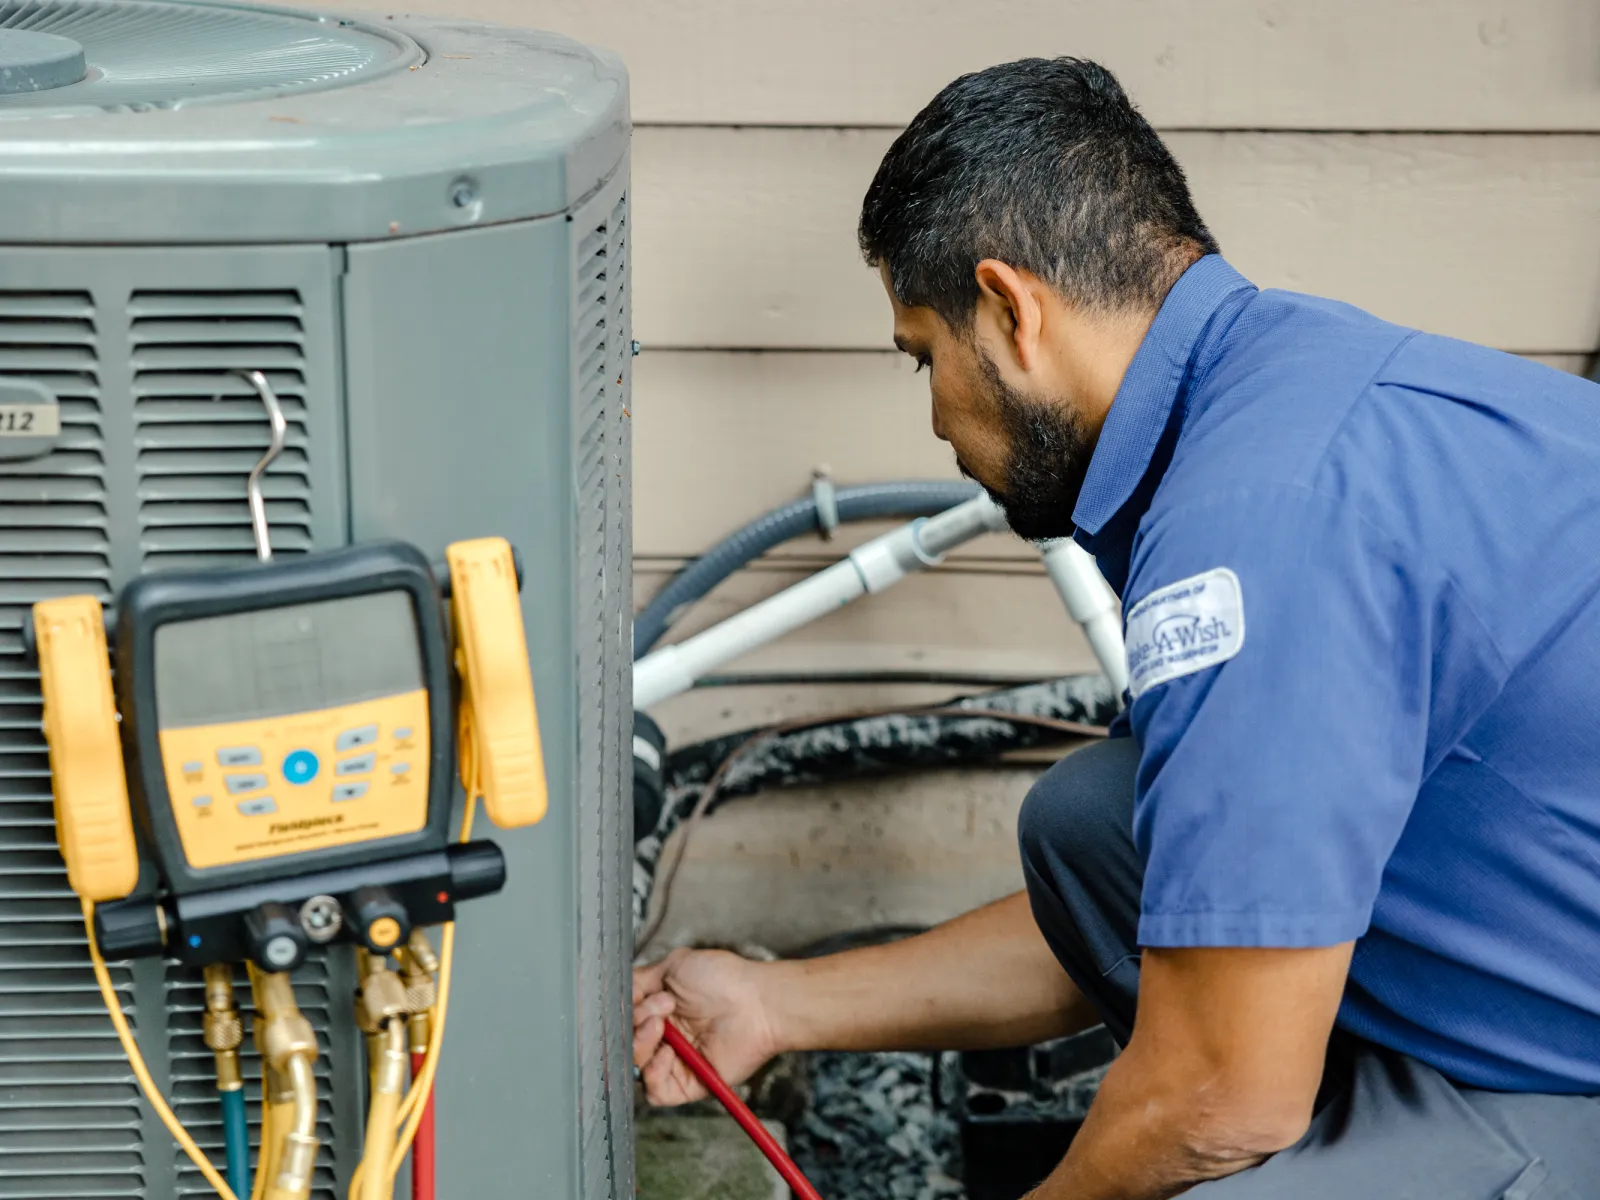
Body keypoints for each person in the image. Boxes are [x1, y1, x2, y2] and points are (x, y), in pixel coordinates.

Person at [633, 57, 1600, 1198]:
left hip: (1572, 1073)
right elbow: (1209, 898)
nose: (937, 411)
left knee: (1210, 1121)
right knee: (1094, 820)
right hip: (1539, 951)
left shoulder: (1258, 524)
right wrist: (775, 1003)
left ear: (1009, 309)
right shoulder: (1281, 387)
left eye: (924, 356)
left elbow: (1218, 1096)